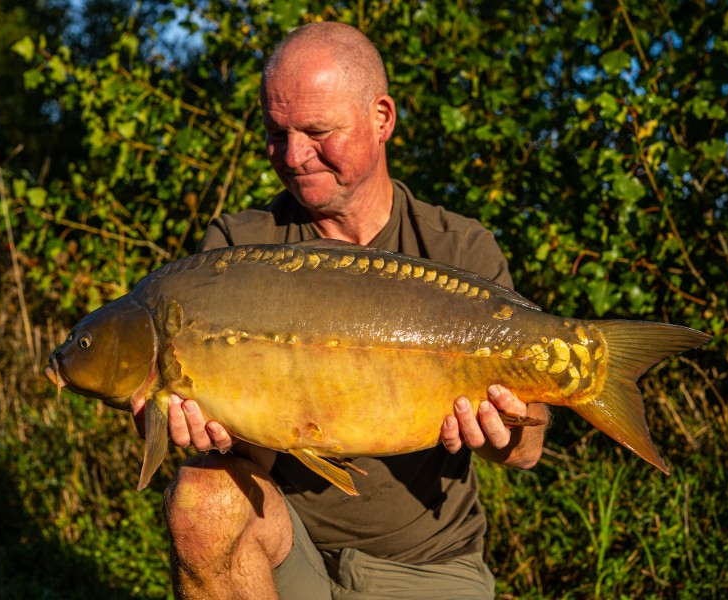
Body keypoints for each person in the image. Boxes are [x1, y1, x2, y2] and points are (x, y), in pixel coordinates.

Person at [132, 21, 549, 600]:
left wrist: (501, 431)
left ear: (382, 118)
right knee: (205, 499)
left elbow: (528, 451)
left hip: (426, 566)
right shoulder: (236, 252)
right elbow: (247, 447)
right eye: (276, 133)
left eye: (317, 130)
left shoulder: (458, 249)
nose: (294, 155)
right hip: (282, 547)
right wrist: (200, 428)